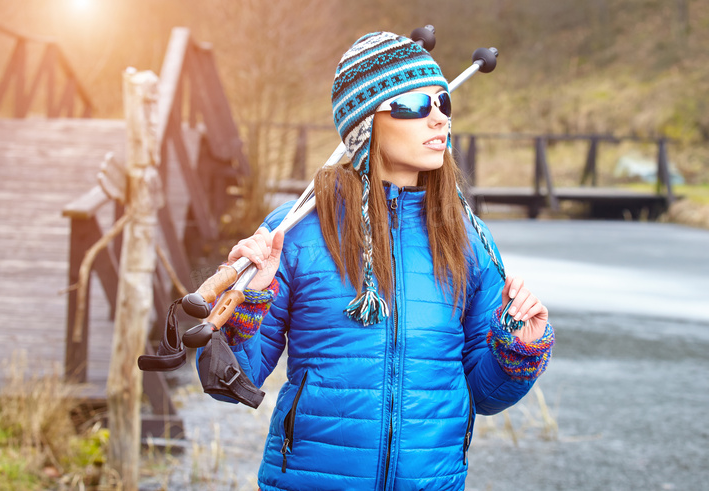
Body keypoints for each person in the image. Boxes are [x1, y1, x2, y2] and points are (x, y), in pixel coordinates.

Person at [198, 31, 554, 490]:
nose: (438, 119)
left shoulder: (467, 238)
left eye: (443, 103)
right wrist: (249, 298)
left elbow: (483, 395)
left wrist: (519, 349)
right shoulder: (296, 231)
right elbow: (230, 383)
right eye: (414, 106)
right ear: (365, 123)